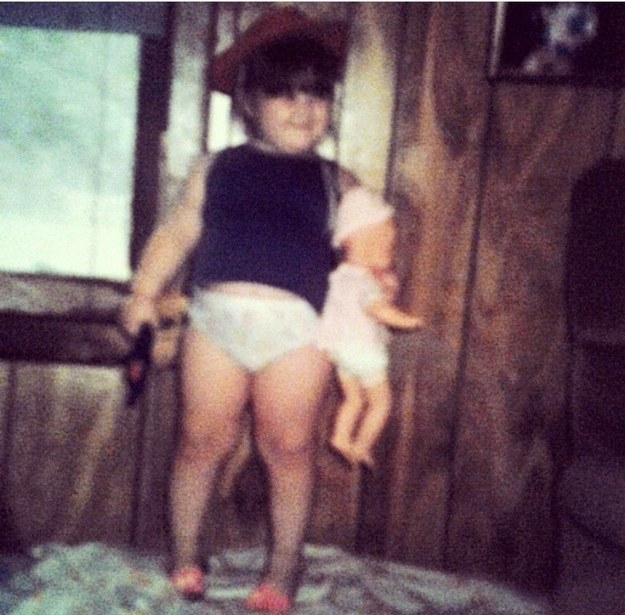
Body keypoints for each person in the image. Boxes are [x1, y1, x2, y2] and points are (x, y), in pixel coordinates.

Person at [120, 7, 355, 612]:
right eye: (284, 93)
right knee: (201, 442)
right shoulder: (216, 168)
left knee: (290, 449)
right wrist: (144, 294)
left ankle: (284, 565)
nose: (303, 108)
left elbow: (368, 256)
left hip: (299, 333)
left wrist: (376, 289)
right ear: (250, 99)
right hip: (215, 326)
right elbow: (176, 234)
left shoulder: (338, 182)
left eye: (316, 94)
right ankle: (185, 552)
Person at [319, 187, 422, 468]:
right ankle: (362, 445)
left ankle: (341, 436)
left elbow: (343, 310)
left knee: (353, 401)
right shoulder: (363, 282)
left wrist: (383, 289)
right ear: (356, 242)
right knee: (380, 403)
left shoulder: (338, 278)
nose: (388, 249)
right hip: (363, 351)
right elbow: (376, 310)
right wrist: (406, 320)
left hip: (339, 352)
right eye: (383, 245)